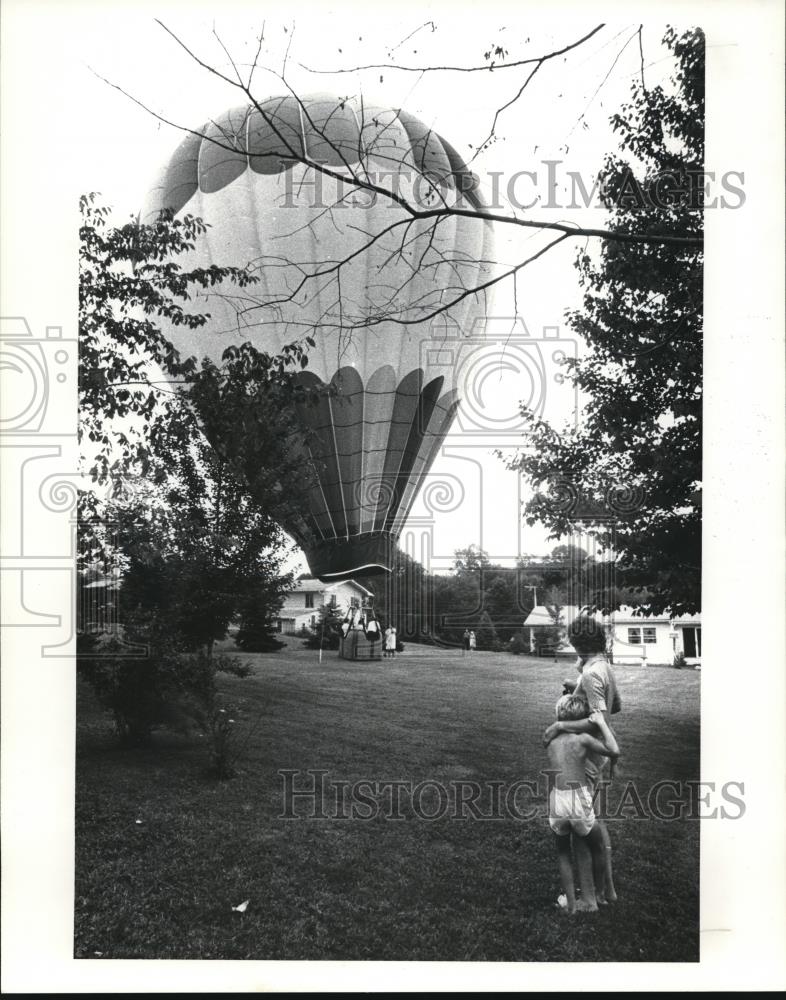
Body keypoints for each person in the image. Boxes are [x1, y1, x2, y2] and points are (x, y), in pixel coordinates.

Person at [544, 615, 622, 903]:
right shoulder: (602, 666)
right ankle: (607, 891)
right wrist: (576, 688)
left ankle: (589, 898)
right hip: (595, 751)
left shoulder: (591, 673)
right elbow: (615, 705)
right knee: (596, 825)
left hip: (586, 758)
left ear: (578, 642)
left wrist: (562, 725)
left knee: (581, 830)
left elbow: (598, 717)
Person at [546, 694, 620, 914]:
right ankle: (597, 896)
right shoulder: (582, 740)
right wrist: (599, 723)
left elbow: (549, 739)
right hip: (578, 799)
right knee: (597, 846)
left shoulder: (550, 740)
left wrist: (557, 724)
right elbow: (614, 750)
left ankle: (570, 905)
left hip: (556, 800)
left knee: (562, 852)